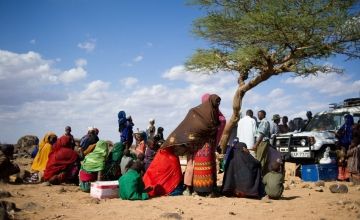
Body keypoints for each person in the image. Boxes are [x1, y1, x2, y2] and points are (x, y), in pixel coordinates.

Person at [144, 94, 221, 197]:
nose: (218, 105)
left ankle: (195, 189)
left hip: (200, 147)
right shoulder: (201, 114)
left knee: (197, 168)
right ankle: (194, 189)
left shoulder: (204, 113)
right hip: (198, 146)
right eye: (217, 102)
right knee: (193, 167)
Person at [184, 93, 224, 196]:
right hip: (209, 146)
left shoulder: (196, 112)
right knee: (208, 166)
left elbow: (190, 127)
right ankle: (209, 189)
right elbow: (223, 121)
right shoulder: (216, 114)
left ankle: (197, 189)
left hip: (198, 145)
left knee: (198, 167)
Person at [253, 110, 271, 176]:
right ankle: (261, 175)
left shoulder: (264, 122)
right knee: (263, 159)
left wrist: (256, 144)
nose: (258, 116)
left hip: (262, 142)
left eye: (260, 114)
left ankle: (258, 175)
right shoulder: (263, 122)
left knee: (259, 159)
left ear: (264, 115)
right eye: (258, 114)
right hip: (263, 142)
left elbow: (262, 134)